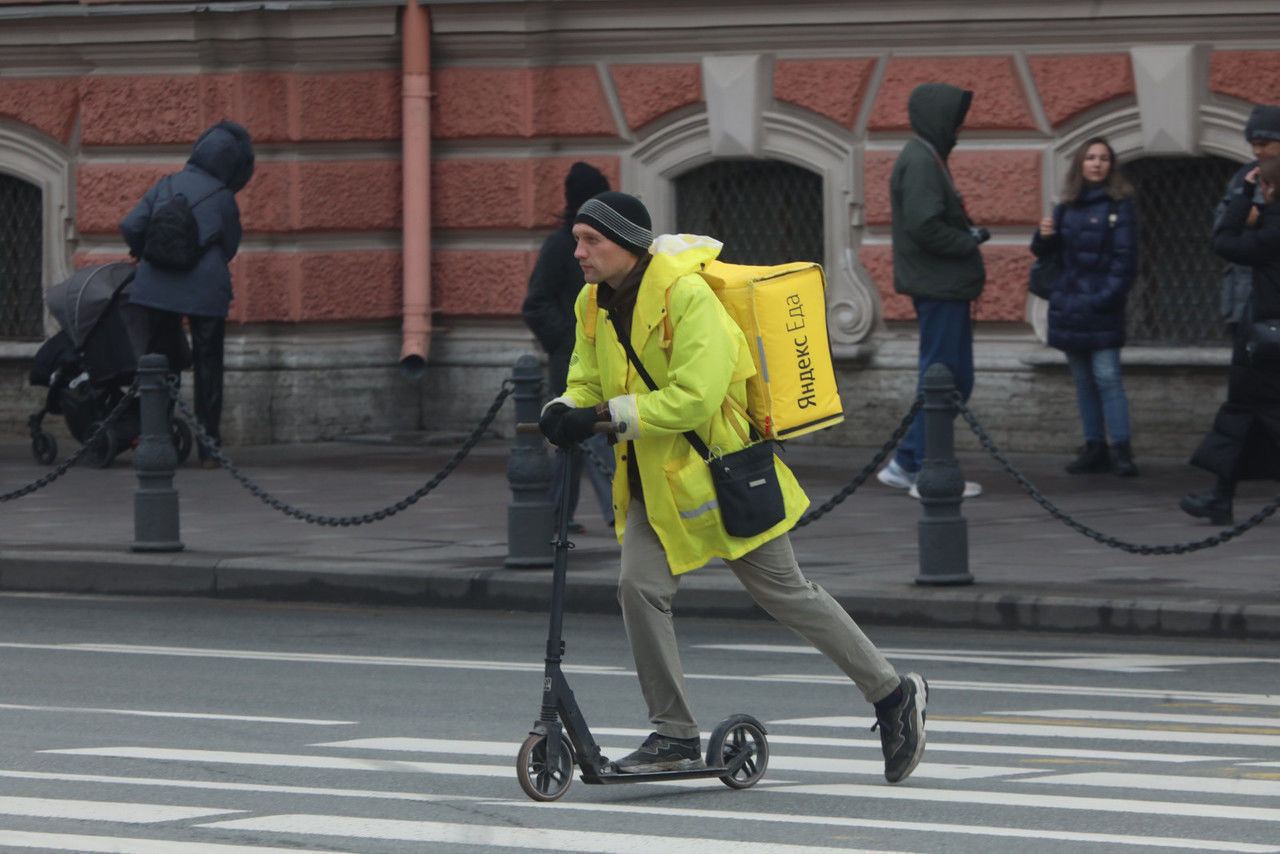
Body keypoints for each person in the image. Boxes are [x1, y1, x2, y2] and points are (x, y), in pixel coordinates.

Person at [538, 191, 928, 784]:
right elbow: (585, 378)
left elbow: (696, 397)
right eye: (578, 240)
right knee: (638, 587)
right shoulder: (592, 303)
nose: (579, 252)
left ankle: (893, 692)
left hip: (721, 476)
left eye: (591, 241)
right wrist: (564, 407)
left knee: (786, 594)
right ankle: (673, 735)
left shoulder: (688, 298)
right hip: (655, 484)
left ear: (628, 246)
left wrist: (604, 417)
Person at [120, 119, 255, 467]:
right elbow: (230, 244)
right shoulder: (223, 196)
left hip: (155, 286)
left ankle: (158, 438)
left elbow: (131, 225)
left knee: (161, 363)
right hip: (206, 290)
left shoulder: (165, 184)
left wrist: (147, 251)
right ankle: (208, 449)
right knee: (209, 366)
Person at [877, 82, 985, 498]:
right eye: (955, 118)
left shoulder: (925, 156)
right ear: (940, 118)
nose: (959, 127)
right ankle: (927, 471)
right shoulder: (921, 160)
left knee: (951, 378)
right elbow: (925, 225)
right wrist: (967, 242)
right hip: (940, 287)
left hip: (945, 287)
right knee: (945, 378)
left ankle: (907, 462)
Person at [1031, 137, 1140, 477]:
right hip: (1068, 305)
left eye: (1104, 158)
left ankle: (1121, 449)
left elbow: (1125, 261)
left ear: (1111, 166)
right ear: (1080, 165)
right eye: (1090, 158)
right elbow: (1049, 256)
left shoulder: (1119, 206)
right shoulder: (1066, 206)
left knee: (1107, 377)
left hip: (1100, 307)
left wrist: (1103, 298)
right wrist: (1044, 237)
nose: (1097, 163)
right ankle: (1095, 447)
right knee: (1082, 381)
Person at [1181, 156, 1280, 524]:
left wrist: (1241, 198)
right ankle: (1221, 497)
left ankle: (1220, 498)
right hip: (1265, 341)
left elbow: (1223, 240)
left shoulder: (1271, 229)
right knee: (1246, 419)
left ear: (1269, 188)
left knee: (1247, 415)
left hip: (1266, 344)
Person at [522, 162, 615, 531]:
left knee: (575, 442)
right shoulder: (561, 246)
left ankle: (558, 515)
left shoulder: (598, 246)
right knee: (586, 436)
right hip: (571, 361)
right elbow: (536, 305)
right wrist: (567, 340)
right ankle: (612, 512)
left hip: (600, 356)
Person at [1216, 104, 1280, 333]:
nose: (1256, 151)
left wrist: (1256, 220)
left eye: (1263, 144)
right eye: (1253, 145)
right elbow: (1222, 224)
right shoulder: (1245, 177)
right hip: (1244, 298)